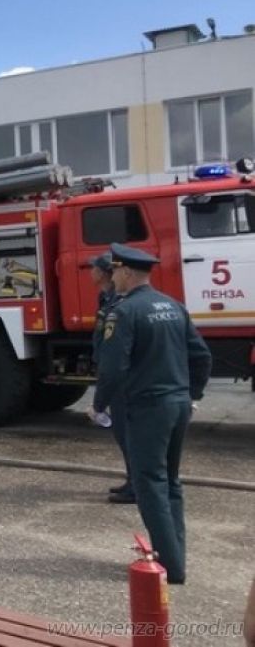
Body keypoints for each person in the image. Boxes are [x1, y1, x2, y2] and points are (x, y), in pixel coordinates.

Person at [92, 243, 212, 585]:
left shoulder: (124, 312)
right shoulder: (173, 306)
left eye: (114, 271)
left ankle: (171, 568)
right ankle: (175, 558)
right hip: (177, 405)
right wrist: (192, 396)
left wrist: (99, 404)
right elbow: (201, 357)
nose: (111, 277)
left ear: (127, 272)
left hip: (147, 407)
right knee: (170, 483)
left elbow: (113, 367)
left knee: (149, 485)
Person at [88, 253, 134, 505]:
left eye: (93, 268)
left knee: (127, 433)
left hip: (121, 377)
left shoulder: (118, 299)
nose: (90, 272)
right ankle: (131, 480)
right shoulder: (105, 296)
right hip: (108, 367)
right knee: (120, 432)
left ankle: (136, 486)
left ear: (104, 272)